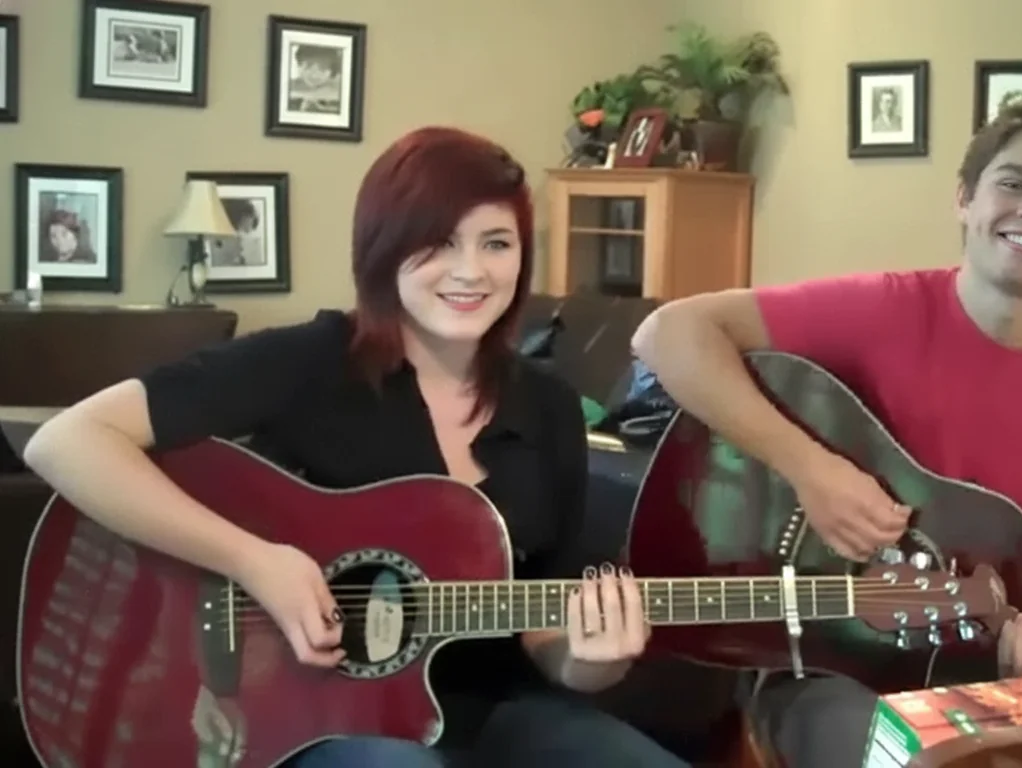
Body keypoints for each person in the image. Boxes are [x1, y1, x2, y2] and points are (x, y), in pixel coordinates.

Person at [23, 127, 689, 768]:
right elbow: (67, 441)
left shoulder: (547, 407)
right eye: (438, 243)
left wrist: (589, 658)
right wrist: (255, 563)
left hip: (493, 709)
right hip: (305, 714)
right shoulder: (310, 361)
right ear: (383, 248)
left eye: (496, 244)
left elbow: (546, 617)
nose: (471, 271)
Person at [630, 98, 1022, 765]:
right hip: (830, 667)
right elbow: (667, 332)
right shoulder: (883, 309)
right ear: (964, 198)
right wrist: (814, 471)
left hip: (983, 667)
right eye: (1013, 183)